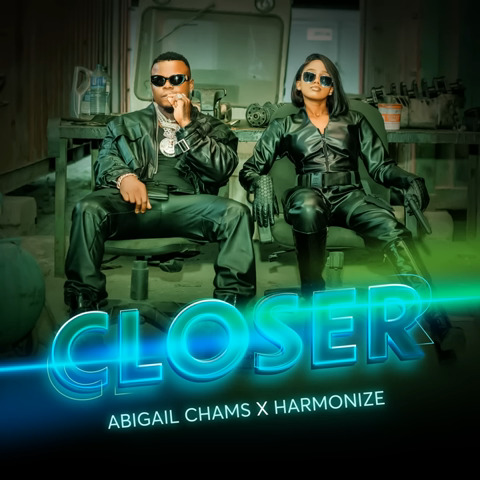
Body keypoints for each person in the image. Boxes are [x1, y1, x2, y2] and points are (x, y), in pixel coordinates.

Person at [239, 53, 463, 353]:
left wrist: (409, 179)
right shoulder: (284, 125)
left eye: (325, 78)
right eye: (309, 76)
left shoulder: (354, 121)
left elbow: (381, 167)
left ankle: (439, 324)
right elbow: (250, 169)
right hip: (307, 193)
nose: (316, 81)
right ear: (298, 85)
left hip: (350, 195)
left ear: (332, 88)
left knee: (388, 226)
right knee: (308, 207)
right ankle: (312, 299)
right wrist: (260, 183)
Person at [64, 51, 256, 316]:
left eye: (176, 79)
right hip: (135, 206)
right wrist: (125, 177)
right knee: (88, 209)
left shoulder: (214, 128)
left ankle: (233, 309)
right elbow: (106, 160)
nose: (167, 85)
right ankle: (84, 307)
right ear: (151, 85)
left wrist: (187, 124)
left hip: (189, 206)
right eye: (159, 80)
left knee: (236, 214)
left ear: (190, 84)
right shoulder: (124, 123)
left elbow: (220, 170)